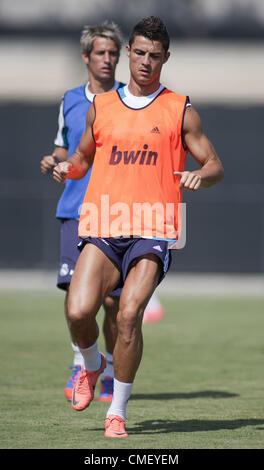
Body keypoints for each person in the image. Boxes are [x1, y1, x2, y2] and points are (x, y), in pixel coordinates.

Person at [53, 16, 224, 438]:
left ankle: (118, 414)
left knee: (128, 315)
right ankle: (91, 364)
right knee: (77, 311)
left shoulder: (179, 107)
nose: (146, 62)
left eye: (155, 55)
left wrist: (202, 176)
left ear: (166, 58)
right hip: (103, 224)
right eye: (140, 53)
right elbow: (82, 158)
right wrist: (66, 169)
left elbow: (215, 164)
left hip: (153, 228)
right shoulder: (103, 106)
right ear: (128, 52)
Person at [41, 21, 165, 404]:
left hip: (116, 214)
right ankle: (83, 361)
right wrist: (56, 163)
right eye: (101, 53)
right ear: (86, 58)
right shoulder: (73, 100)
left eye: (113, 52)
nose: (108, 59)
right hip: (75, 209)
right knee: (75, 298)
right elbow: (69, 151)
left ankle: (109, 368)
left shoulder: (131, 101)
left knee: (114, 302)